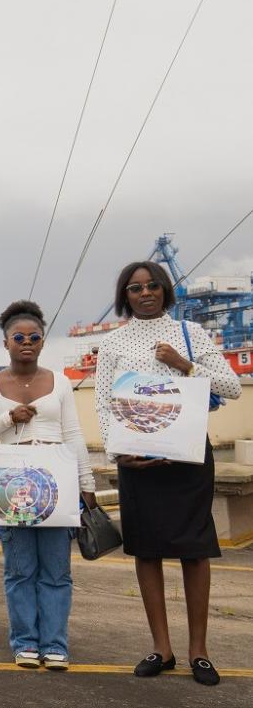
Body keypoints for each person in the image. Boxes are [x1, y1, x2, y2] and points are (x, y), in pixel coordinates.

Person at [94, 261, 241, 686]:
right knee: (146, 549)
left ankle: (200, 651)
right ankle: (163, 648)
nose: (145, 293)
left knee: (195, 550)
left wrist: (184, 364)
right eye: (136, 288)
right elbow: (104, 403)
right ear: (125, 296)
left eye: (153, 285)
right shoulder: (113, 343)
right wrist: (117, 451)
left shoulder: (190, 335)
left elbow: (230, 386)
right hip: (137, 459)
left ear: (165, 291)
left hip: (188, 456)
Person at [0, 300, 96, 670]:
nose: (26, 342)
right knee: (19, 569)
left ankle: (55, 643)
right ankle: (25, 642)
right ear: (6, 342)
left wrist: (86, 482)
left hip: (56, 483)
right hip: (12, 482)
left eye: (34, 336)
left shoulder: (60, 382)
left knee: (56, 570)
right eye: (18, 337)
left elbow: (74, 434)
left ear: (43, 341)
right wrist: (7, 418)